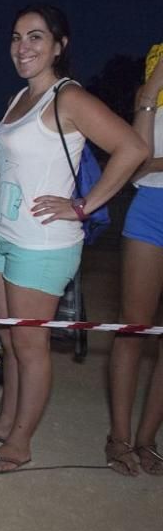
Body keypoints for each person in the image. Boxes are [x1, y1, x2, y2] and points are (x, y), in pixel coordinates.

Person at [0, 5, 147, 473]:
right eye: (15, 37)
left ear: (59, 45)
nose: (22, 47)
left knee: (31, 348)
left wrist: (84, 204)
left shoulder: (67, 97)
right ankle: (6, 420)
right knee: (9, 341)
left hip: (43, 244)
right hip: (5, 236)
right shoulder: (19, 98)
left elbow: (133, 148)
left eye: (35, 37)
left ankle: (21, 443)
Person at [104, 46, 163, 476]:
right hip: (152, 207)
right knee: (133, 328)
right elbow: (139, 167)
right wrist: (155, 81)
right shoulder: (154, 71)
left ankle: (147, 439)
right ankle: (119, 437)